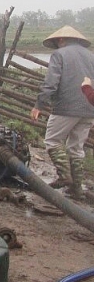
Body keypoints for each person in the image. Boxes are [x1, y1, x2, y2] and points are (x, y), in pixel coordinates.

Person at [30, 26, 94, 200]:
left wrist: (39, 105)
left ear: (60, 40)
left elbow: (51, 83)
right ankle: (77, 189)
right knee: (76, 147)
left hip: (66, 106)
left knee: (52, 140)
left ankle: (64, 176)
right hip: (89, 108)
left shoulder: (60, 55)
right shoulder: (91, 56)